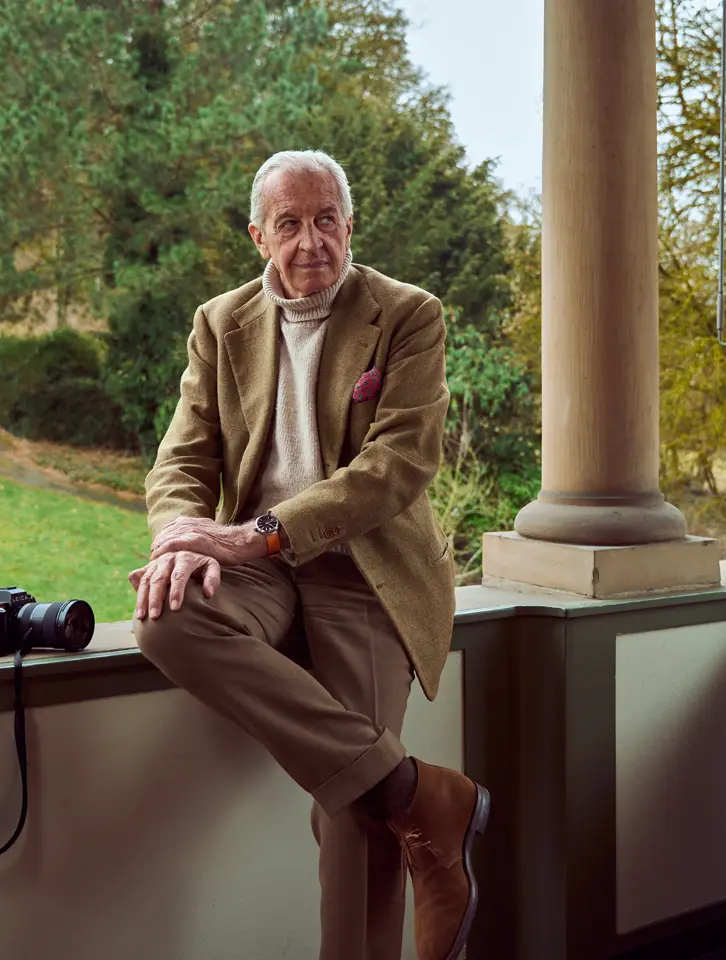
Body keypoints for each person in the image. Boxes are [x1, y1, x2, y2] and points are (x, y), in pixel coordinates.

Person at [129, 149, 489, 960]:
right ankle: (423, 797)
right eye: (289, 223)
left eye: (326, 219)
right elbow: (182, 461)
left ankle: (389, 812)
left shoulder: (407, 313)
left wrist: (254, 532)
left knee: (351, 813)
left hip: (366, 572)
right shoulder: (220, 323)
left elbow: (396, 464)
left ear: (350, 225)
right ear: (260, 235)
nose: (311, 240)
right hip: (257, 569)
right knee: (166, 621)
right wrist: (179, 538)